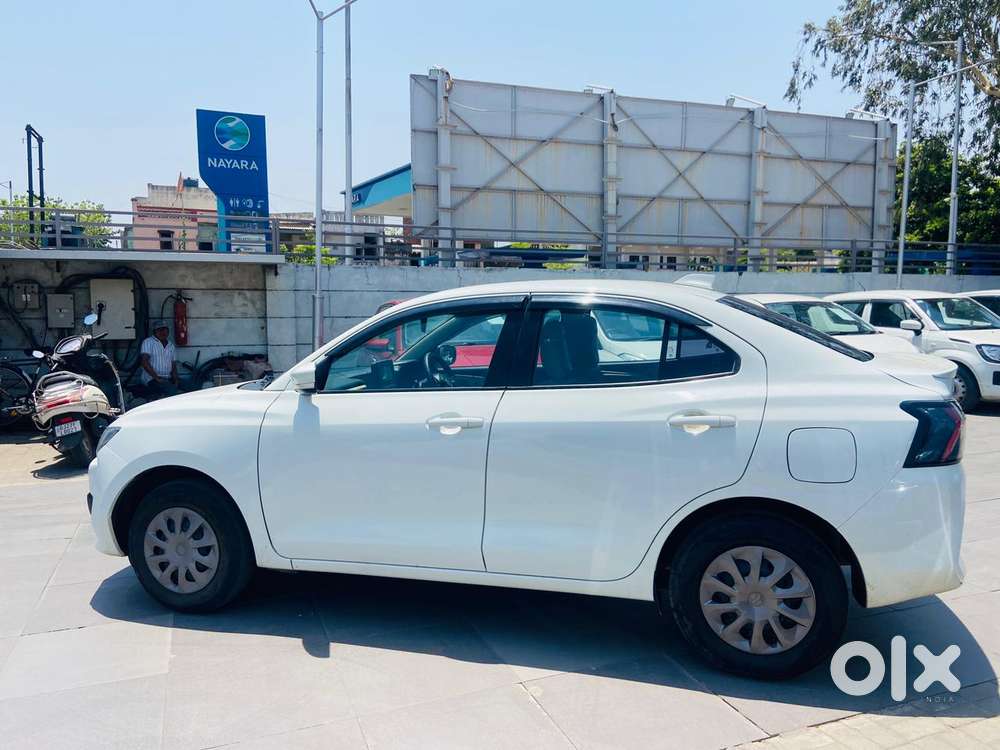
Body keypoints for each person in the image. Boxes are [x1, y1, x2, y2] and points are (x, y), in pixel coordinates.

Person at [140, 321, 180, 399]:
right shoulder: (148, 342)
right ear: (154, 332)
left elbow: (173, 366)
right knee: (172, 391)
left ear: (168, 331)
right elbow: (144, 362)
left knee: (190, 387)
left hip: (167, 378)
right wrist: (157, 378)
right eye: (159, 330)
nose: (162, 332)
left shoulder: (171, 345)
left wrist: (176, 380)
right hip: (151, 379)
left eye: (164, 329)